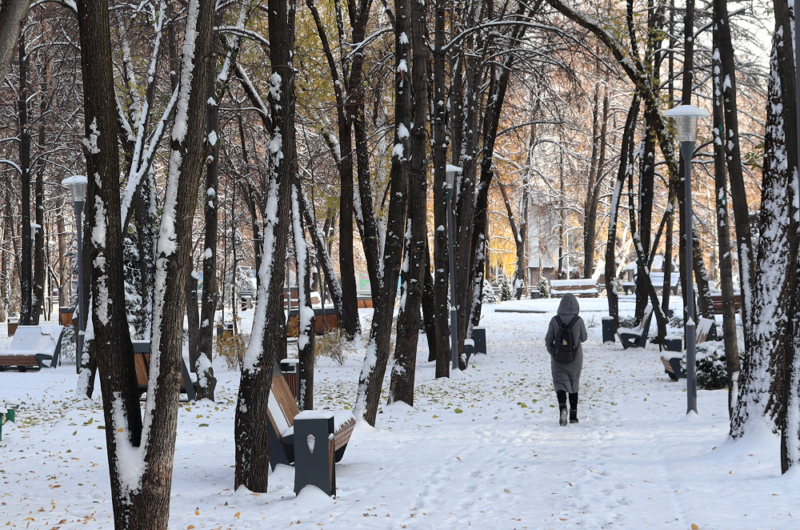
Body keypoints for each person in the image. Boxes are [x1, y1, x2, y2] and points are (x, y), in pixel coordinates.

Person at [545, 293, 588, 426]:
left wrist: (553, 352)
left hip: (558, 358)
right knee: (574, 384)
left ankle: (563, 407)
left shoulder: (554, 320)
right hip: (575, 358)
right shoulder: (578, 320)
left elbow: (548, 340)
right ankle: (573, 416)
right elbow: (584, 338)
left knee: (560, 383)